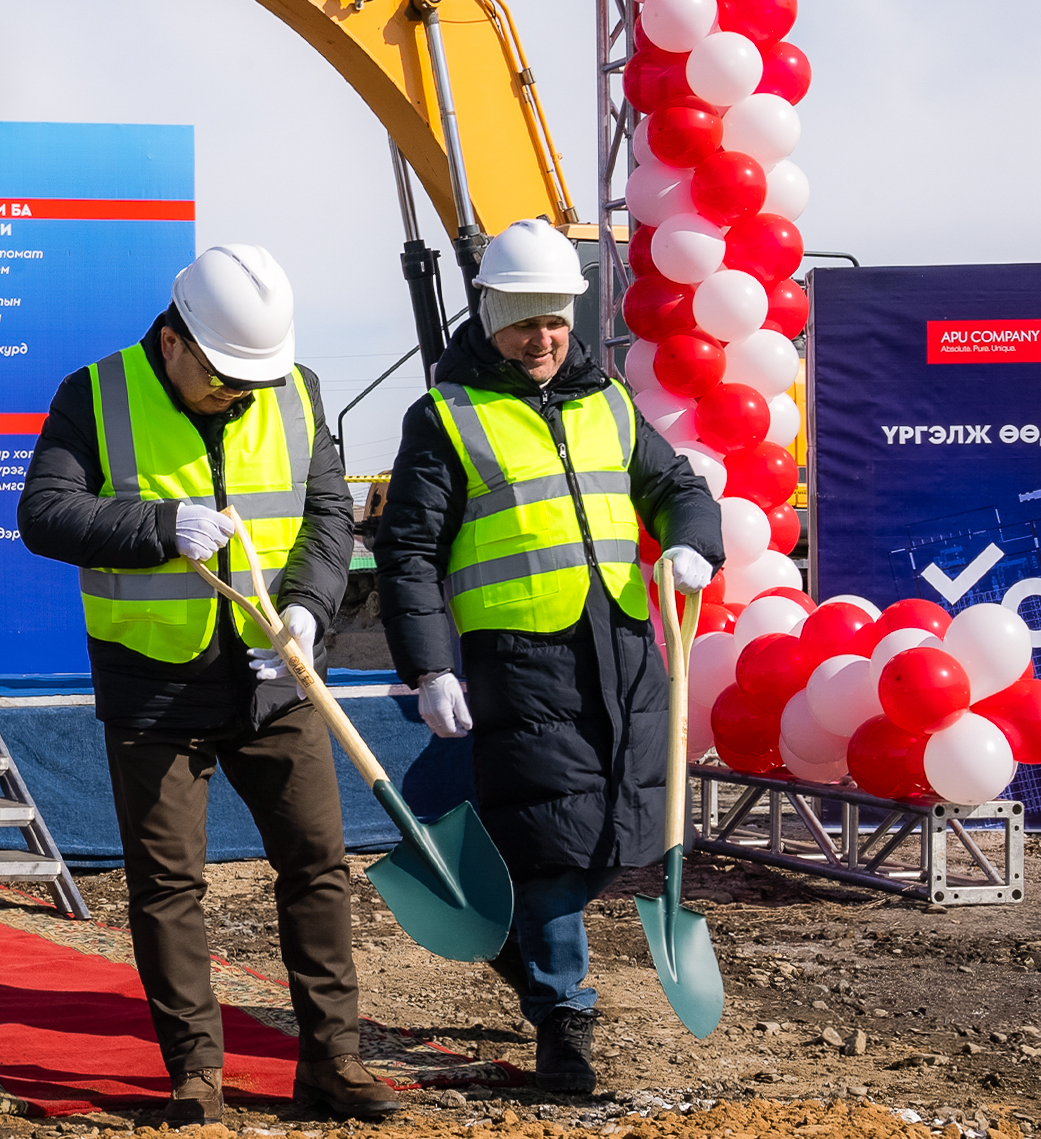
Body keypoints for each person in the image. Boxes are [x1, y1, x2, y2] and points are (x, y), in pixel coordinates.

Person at [18, 245, 399, 1122]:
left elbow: (329, 512)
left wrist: (307, 607)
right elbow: (43, 511)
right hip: (153, 683)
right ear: (174, 338)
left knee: (317, 863)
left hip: (276, 674)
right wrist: (157, 524)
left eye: (250, 379)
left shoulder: (293, 388)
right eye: (224, 376)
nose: (238, 392)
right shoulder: (96, 393)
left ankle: (333, 1061)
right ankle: (195, 1071)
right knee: (166, 883)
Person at [374, 217, 724, 1095]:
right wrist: (431, 665)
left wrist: (693, 541)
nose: (541, 337)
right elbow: (409, 551)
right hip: (517, 663)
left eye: (556, 318)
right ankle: (564, 1016)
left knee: (616, 834)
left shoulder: (606, 402)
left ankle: (520, 945)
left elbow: (673, 484)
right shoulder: (445, 415)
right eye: (524, 318)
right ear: (488, 311)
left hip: (619, 652)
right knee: (549, 848)